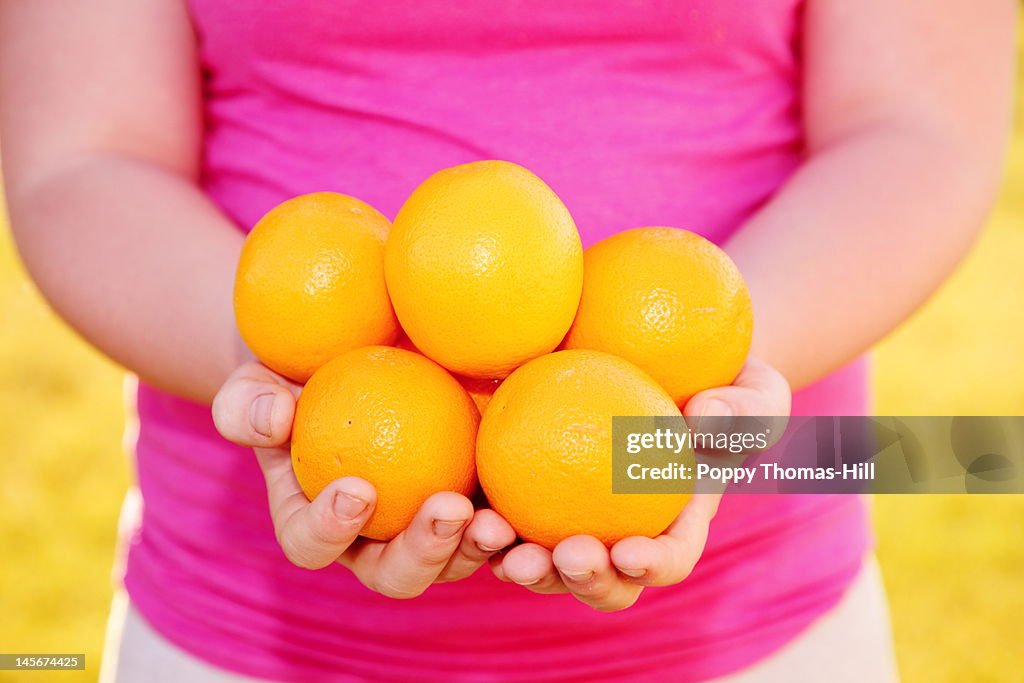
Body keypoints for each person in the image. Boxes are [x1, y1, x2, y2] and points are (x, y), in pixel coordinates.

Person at [0, 1, 1015, 681]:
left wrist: (705, 385)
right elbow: (83, 159)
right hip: (246, 629)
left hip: (758, 627)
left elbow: (914, 124)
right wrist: (270, 361)